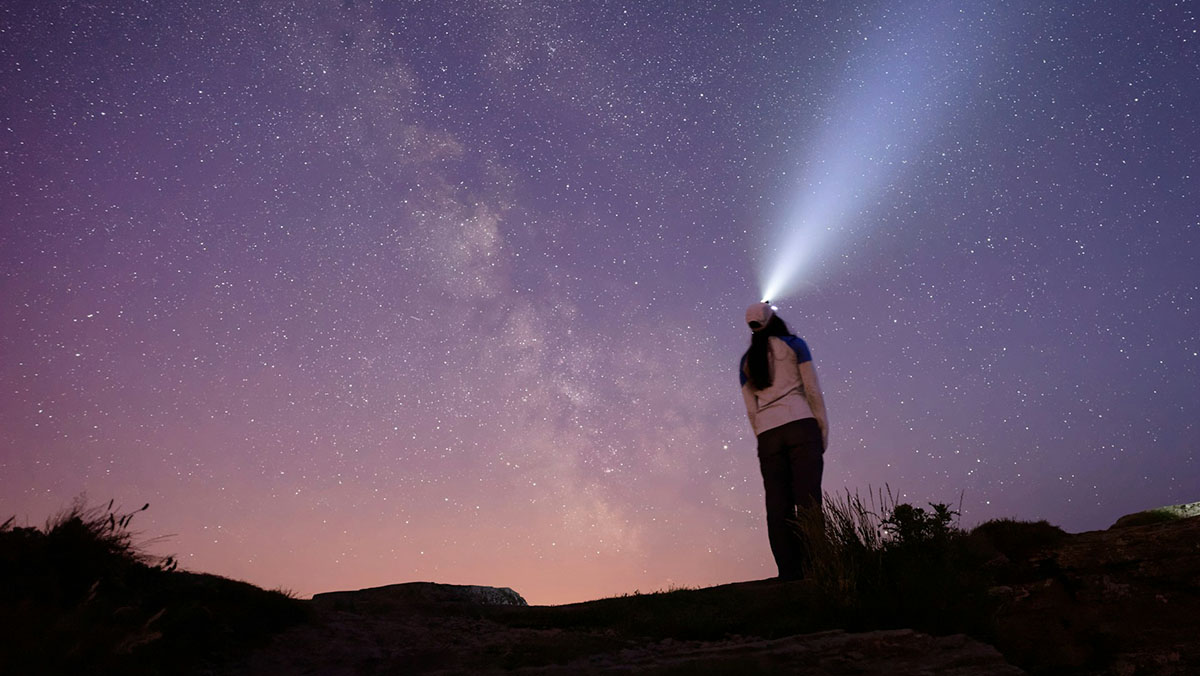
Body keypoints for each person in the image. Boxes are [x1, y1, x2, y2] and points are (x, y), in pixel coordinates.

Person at [739, 301, 829, 580]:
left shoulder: (746, 361)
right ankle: (817, 566)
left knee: (777, 505)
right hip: (801, 425)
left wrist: (763, 438)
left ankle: (789, 572)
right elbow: (811, 388)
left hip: (768, 435)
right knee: (809, 500)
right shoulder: (794, 345)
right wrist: (821, 429)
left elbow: (751, 410)